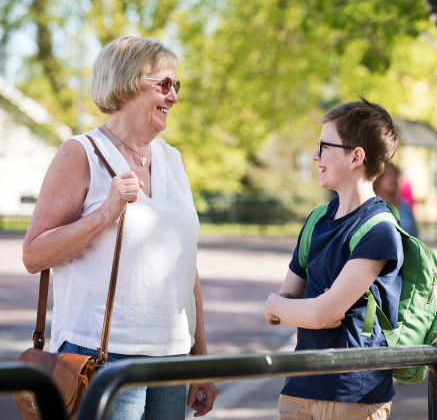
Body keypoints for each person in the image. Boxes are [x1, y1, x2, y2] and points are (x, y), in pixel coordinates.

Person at [22, 36, 217, 419]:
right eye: (164, 84)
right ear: (127, 83)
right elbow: (34, 254)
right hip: (104, 359)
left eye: (176, 85)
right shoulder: (81, 153)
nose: (174, 96)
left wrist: (201, 359)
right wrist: (104, 214)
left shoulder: (173, 160)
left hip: (173, 357)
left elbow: (184, 266)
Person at [264, 98, 403, 420]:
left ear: (356, 156)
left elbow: (316, 315)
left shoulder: (380, 229)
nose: (316, 156)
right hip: (299, 388)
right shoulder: (316, 220)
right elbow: (289, 304)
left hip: (354, 394)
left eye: (324, 147)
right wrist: (278, 305)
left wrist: (281, 306)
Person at [373, 163, 419, 237]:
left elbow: (415, 235)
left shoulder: (404, 206)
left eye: (395, 175)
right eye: (389, 174)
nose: (393, 179)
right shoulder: (370, 207)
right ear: (378, 177)